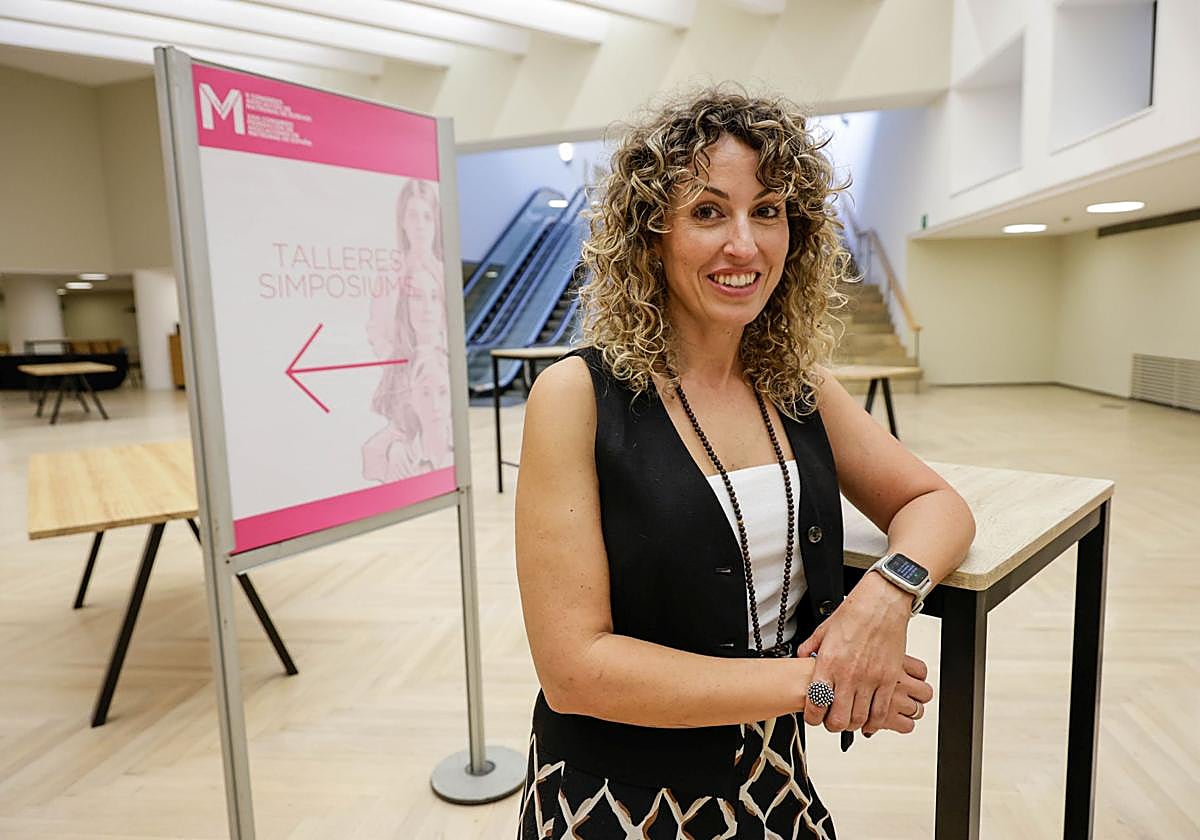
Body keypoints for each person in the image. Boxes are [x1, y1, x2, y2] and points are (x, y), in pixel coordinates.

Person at [514, 88, 976, 839]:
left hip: (774, 779)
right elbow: (574, 670)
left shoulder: (794, 387)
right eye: (707, 211)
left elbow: (937, 504)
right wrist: (827, 679)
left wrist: (883, 601)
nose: (745, 244)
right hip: (617, 799)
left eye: (767, 211)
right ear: (649, 234)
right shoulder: (577, 395)